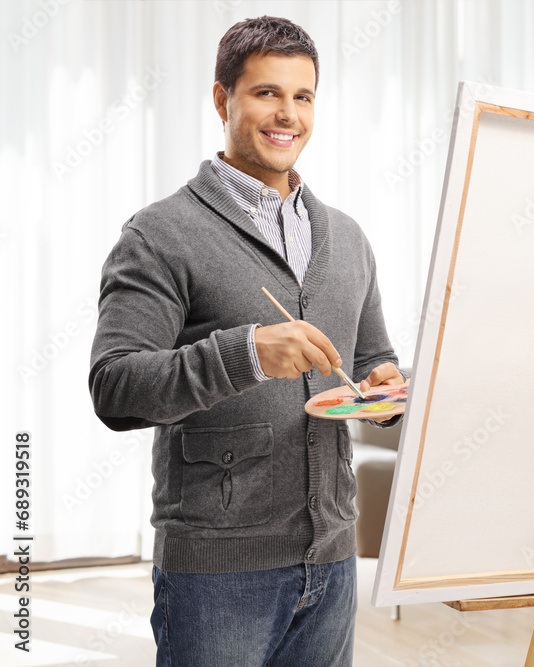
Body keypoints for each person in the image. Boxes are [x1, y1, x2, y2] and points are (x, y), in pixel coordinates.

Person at [88, 16, 402, 666]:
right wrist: (246, 354)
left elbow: (375, 361)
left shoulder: (347, 238)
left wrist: (386, 392)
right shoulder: (160, 235)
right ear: (222, 98)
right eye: (266, 93)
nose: (287, 114)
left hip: (334, 562)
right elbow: (115, 386)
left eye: (303, 96)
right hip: (216, 573)